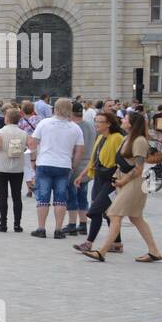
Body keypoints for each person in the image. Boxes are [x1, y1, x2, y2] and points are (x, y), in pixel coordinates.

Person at [83, 110, 162, 264]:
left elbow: (139, 168)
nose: (123, 119)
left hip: (135, 184)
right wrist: (117, 177)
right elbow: (123, 163)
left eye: (126, 118)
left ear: (132, 123)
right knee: (136, 218)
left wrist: (123, 180)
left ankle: (102, 251)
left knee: (114, 214)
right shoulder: (127, 138)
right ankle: (154, 251)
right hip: (127, 182)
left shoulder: (139, 141)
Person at [28, 98, 85, 239]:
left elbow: (33, 143)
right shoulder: (75, 127)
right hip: (64, 165)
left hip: (45, 162)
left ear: (55, 108)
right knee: (61, 198)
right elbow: (79, 151)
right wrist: (73, 165)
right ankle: (58, 229)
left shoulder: (44, 123)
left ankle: (41, 228)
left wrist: (33, 160)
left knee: (43, 197)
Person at [73, 110, 125, 254]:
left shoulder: (117, 138)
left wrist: (120, 179)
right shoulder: (101, 137)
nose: (96, 124)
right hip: (99, 178)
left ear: (108, 124)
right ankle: (117, 243)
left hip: (111, 180)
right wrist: (82, 175)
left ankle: (89, 243)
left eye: (99, 121)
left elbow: (123, 159)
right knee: (107, 212)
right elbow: (94, 160)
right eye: (96, 121)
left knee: (94, 211)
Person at [0, 107, 28, 232]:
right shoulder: (23, 133)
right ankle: (17, 224)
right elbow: (27, 148)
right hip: (17, 167)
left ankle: (3, 223)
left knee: (3, 196)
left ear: (6, 118)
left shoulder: (0, 132)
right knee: (17, 196)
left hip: (2, 166)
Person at [65, 101, 96, 235]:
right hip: (88, 165)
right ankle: (83, 224)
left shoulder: (73, 127)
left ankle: (72, 224)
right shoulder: (91, 126)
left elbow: (74, 149)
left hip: (76, 165)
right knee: (83, 196)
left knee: (72, 195)